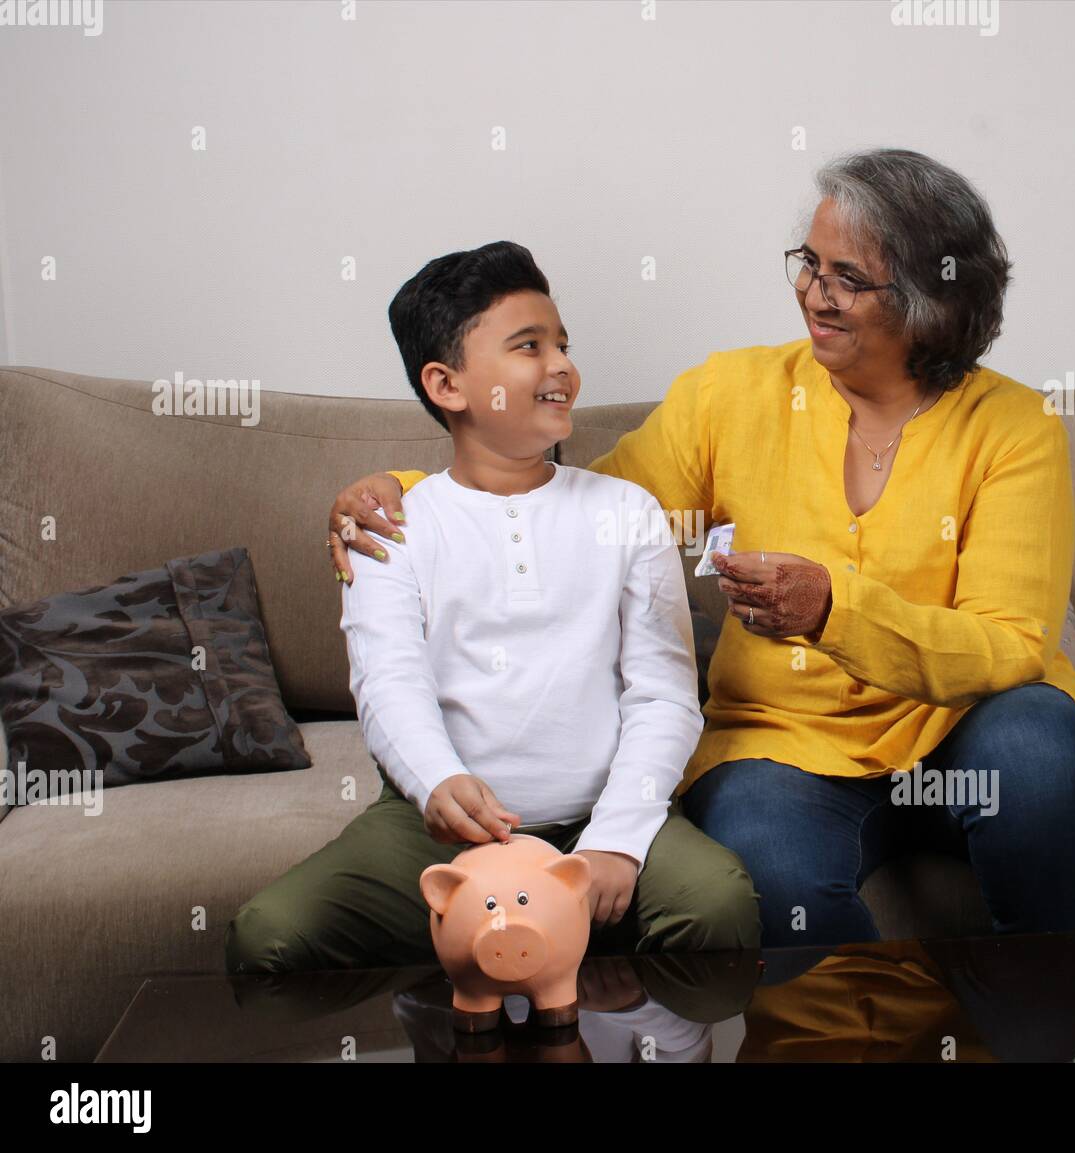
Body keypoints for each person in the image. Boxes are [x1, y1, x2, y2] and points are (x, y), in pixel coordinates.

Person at [326, 149, 1075, 949]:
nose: (815, 293)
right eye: (809, 263)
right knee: (767, 869)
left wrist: (833, 610)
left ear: (934, 301)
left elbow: (1007, 645)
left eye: (848, 278)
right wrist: (411, 489)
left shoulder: (1013, 429)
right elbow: (585, 516)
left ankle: (1036, 1018)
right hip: (784, 744)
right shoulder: (730, 393)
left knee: (1039, 743)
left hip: (965, 730)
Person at [225, 241, 762, 974]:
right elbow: (388, 682)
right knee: (271, 935)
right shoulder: (393, 523)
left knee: (718, 907)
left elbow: (665, 692)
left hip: (599, 815)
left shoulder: (627, 511)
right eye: (528, 346)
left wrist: (618, 837)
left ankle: (584, 974)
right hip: (443, 830)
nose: (560, 365)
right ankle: (490, 974)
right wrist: (438, 783)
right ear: (447, 384)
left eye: (563, 344)